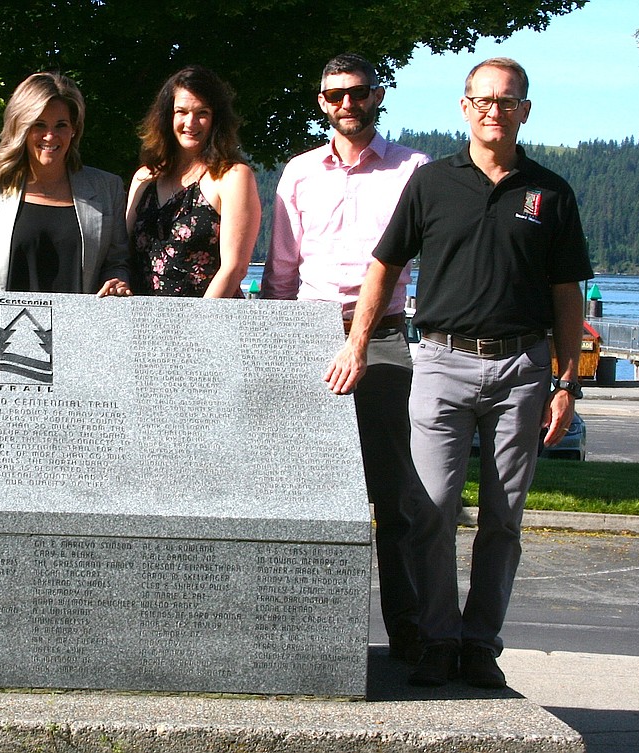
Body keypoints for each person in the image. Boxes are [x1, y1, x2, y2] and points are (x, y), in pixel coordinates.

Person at [325, 58, 593, 689]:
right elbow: (384, 268)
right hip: (441, 362)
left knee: (503, 518)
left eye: (506, 101)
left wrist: (566, 381)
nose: (493, 110)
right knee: (431, 510)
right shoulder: (431, 182)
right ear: (464, 106)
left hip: (522, 369)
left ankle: (481, 645)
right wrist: (358, 345)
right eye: (482, 100)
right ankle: (439, 639)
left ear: (525, 109)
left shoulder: (550, 192)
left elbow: (565, 293)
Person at [263, 53, 430, 662]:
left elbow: (432, 257)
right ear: (321, 103)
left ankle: (408, 633)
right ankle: (299, 633)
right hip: (308, 336)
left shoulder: (414, 169)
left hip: (384, 338)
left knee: (395, 496)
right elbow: (282, 268)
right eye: (334, 96)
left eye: (357, 93)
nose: (347, 105)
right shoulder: (300, 173)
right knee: (302, 491)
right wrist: (278, 346)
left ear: (376, 95)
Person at [0, 72, 130, 297]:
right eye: (39, 125)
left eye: (61, 125)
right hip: (5, 327)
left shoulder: (107, 188)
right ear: (21, 128)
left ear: (74, 129)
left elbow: (117, 264)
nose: (50, 136)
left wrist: (117, 284)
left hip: (83, 329)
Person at [126, 65, 260, 297]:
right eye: (182, 112)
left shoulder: (232, 176)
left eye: (202, 113)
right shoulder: (145, 177)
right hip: (143, 322)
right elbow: (122, 254)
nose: (191, 122)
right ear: (167, 116)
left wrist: (195, 328)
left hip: (209, 322)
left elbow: (234, 269)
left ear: (216, 119)